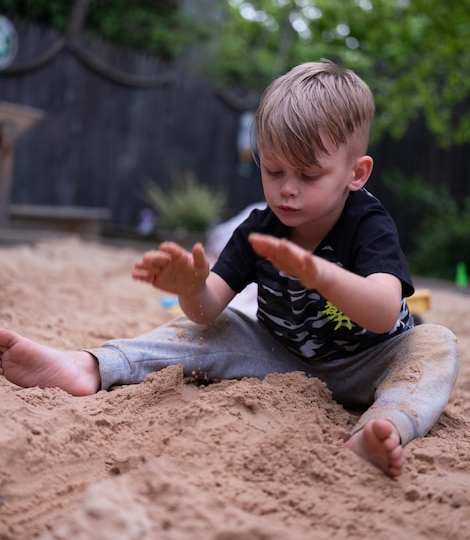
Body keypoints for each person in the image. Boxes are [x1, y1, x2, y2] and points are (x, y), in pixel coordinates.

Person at [0, 60, 459, 478]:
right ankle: (91, 366)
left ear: (356, 174)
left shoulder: (369, 223)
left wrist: (318, 273)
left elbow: (382, 313)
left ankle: (381, 429)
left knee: (435, 345)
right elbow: (207, 311)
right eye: (274, 170)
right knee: (204, 330)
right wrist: (191, 287)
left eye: (309, 175)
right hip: (281, 357)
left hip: (370, 363)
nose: (287, 191)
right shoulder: (260, 228)